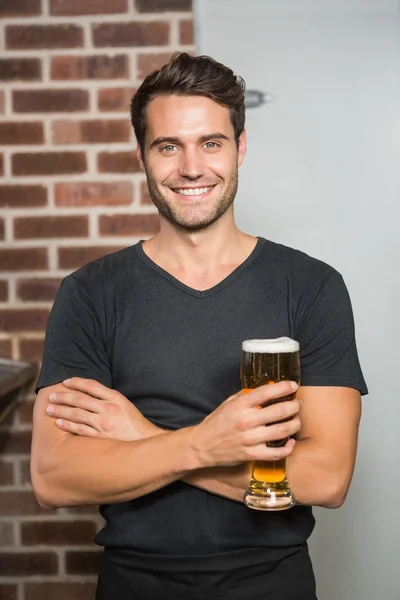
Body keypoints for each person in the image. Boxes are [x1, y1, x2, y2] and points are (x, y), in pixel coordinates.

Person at [31, 52, 367, 600]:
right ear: (142, 155)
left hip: (273, 585)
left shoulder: (311, 286)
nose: (191, 167)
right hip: (133, 585)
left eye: (211, 143)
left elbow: (326, 478)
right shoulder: (90, 293)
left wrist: (151, 439)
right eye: (169, 146)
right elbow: (54, 478)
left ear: (240, 148)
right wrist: (202, 446)